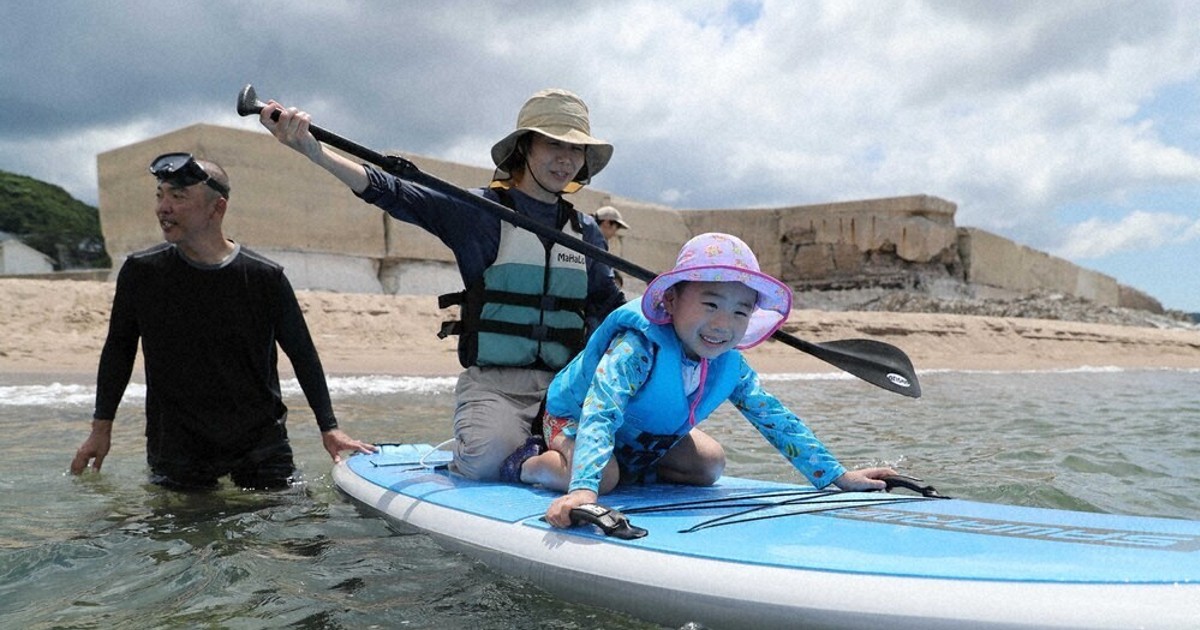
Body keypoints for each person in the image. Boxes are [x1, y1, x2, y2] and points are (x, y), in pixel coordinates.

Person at [259, 89, 625, 480]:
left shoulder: (585, 231)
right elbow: (392, 191)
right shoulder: (478, 212)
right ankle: (513, 451)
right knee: (483, 462)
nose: (566, 158)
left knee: (615, 467)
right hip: (497, 385)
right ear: (524, 148)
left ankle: (537, 446)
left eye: (576, 148)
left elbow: (614, 311)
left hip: (567, 388)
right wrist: (312, 150)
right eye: (553, 143)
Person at [500, 233, 898, 528]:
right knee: (606, 477)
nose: (724, 324)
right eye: (710, 304)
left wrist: (836, 476)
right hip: (574, 420)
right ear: (671, 301)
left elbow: (774, 418)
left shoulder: (731, 364)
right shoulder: (637, 348)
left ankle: (627, 468)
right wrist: (584, 489)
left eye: (741, 312)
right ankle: (528, 465)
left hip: (641, 439)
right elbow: (601, 411)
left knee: (710, 464)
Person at [70, 153, 375, 489]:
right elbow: (118, 349)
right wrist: (101, 429)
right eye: (160, 195)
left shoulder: (264, 277)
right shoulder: (143, 272)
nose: (163, 207)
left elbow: (302, 354)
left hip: (260, 443)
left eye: (178, 196)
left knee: (298, 528)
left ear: (217, 208)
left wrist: (329, 427)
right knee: (181, 537)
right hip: (177, 444)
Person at [591, 205, 629, 289]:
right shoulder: (596, 241)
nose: (615, 232)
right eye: (617, 226)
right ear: (607, 223)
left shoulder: (591, 236)